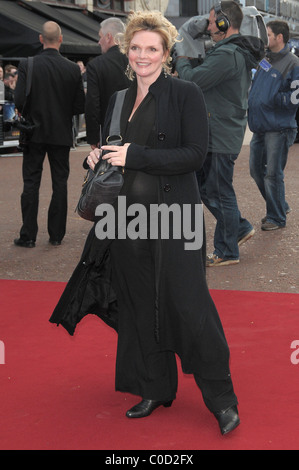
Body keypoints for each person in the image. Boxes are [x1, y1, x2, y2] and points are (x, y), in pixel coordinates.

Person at [50, 10, 240, 436]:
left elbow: (195, 154)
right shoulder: (118, 98)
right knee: (137, 305)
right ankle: (154, 387)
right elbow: (113, 151)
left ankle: (222, 399)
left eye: (151, 49)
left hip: (176, 217)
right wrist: (96, 156)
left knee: (189, 306)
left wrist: (136, 155)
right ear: (126, 50)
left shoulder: (186, 93)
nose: (142, 55)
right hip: (126, 219)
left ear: (166, 53)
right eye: (135, 47)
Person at [175, 1, 265, 266]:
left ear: (226, 23)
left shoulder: (227, 54)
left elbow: (194, 80)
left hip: (220, 133)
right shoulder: (229, 51)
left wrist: (182, 60)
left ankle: (227, 251)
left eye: (214, 22)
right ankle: (238, 228)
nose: (209, 27)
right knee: (208, 188)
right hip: (218, 131)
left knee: (217, 191)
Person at [13, 21, 85, 248]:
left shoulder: (28, 64)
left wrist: (31, 112)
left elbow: (19, 100)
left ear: (41, 39)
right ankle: (56, 235)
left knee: (31, 183)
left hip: (33, 132)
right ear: (61, 39)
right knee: (60, 183)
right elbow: (79, 105)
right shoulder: (72, 69)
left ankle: (28, 235)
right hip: (61, 133)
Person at [248, 20, 299, 231]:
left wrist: (273, 100)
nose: (265, 38)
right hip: (261, 124)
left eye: (268, 34)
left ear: (279, 37)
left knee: (273, 174)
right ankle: (280, 206)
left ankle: (276, 217)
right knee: (256, 170)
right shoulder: (266, 60)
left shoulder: (293, 63)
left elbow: (295, 98)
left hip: (278, 127)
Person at [85, 17, 130, 149]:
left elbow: (93, 103)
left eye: (100, 37)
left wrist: (93, 137)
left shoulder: (96, 65)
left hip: (109, 133)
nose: (99, 42)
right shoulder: (136, 61)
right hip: (139, 129)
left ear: (109, 37)